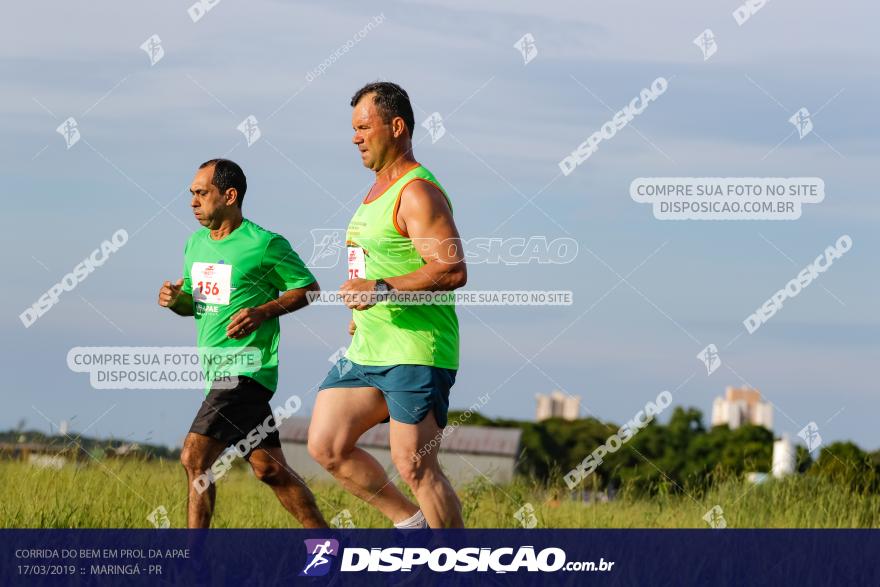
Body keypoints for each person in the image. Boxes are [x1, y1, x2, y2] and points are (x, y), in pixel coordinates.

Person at [308, 82, 467, 528]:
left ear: (396, 127)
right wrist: (360, 313)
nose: (355, 137)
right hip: (368, 350)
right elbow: (371, 265)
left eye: (364, 127)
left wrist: (380, 289)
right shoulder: (375, 192)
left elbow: (451, 270)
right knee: (327, 445)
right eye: (353, 129)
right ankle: (413, 529)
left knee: (415, 465)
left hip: (416, 349)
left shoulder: (417, 192)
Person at [158, 158, 327, 528]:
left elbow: (309, 289)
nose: (193, 201)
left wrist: (263, 311)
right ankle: (328, 545)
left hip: (246, 370)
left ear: (229, 195)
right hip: (215, 373)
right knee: (269, 469)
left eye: (202, 193)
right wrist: (176, 301)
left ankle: (194, 567)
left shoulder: (264, 244)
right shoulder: (195, 245)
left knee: (194, 458)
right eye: (192, 194)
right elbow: (198, 305)